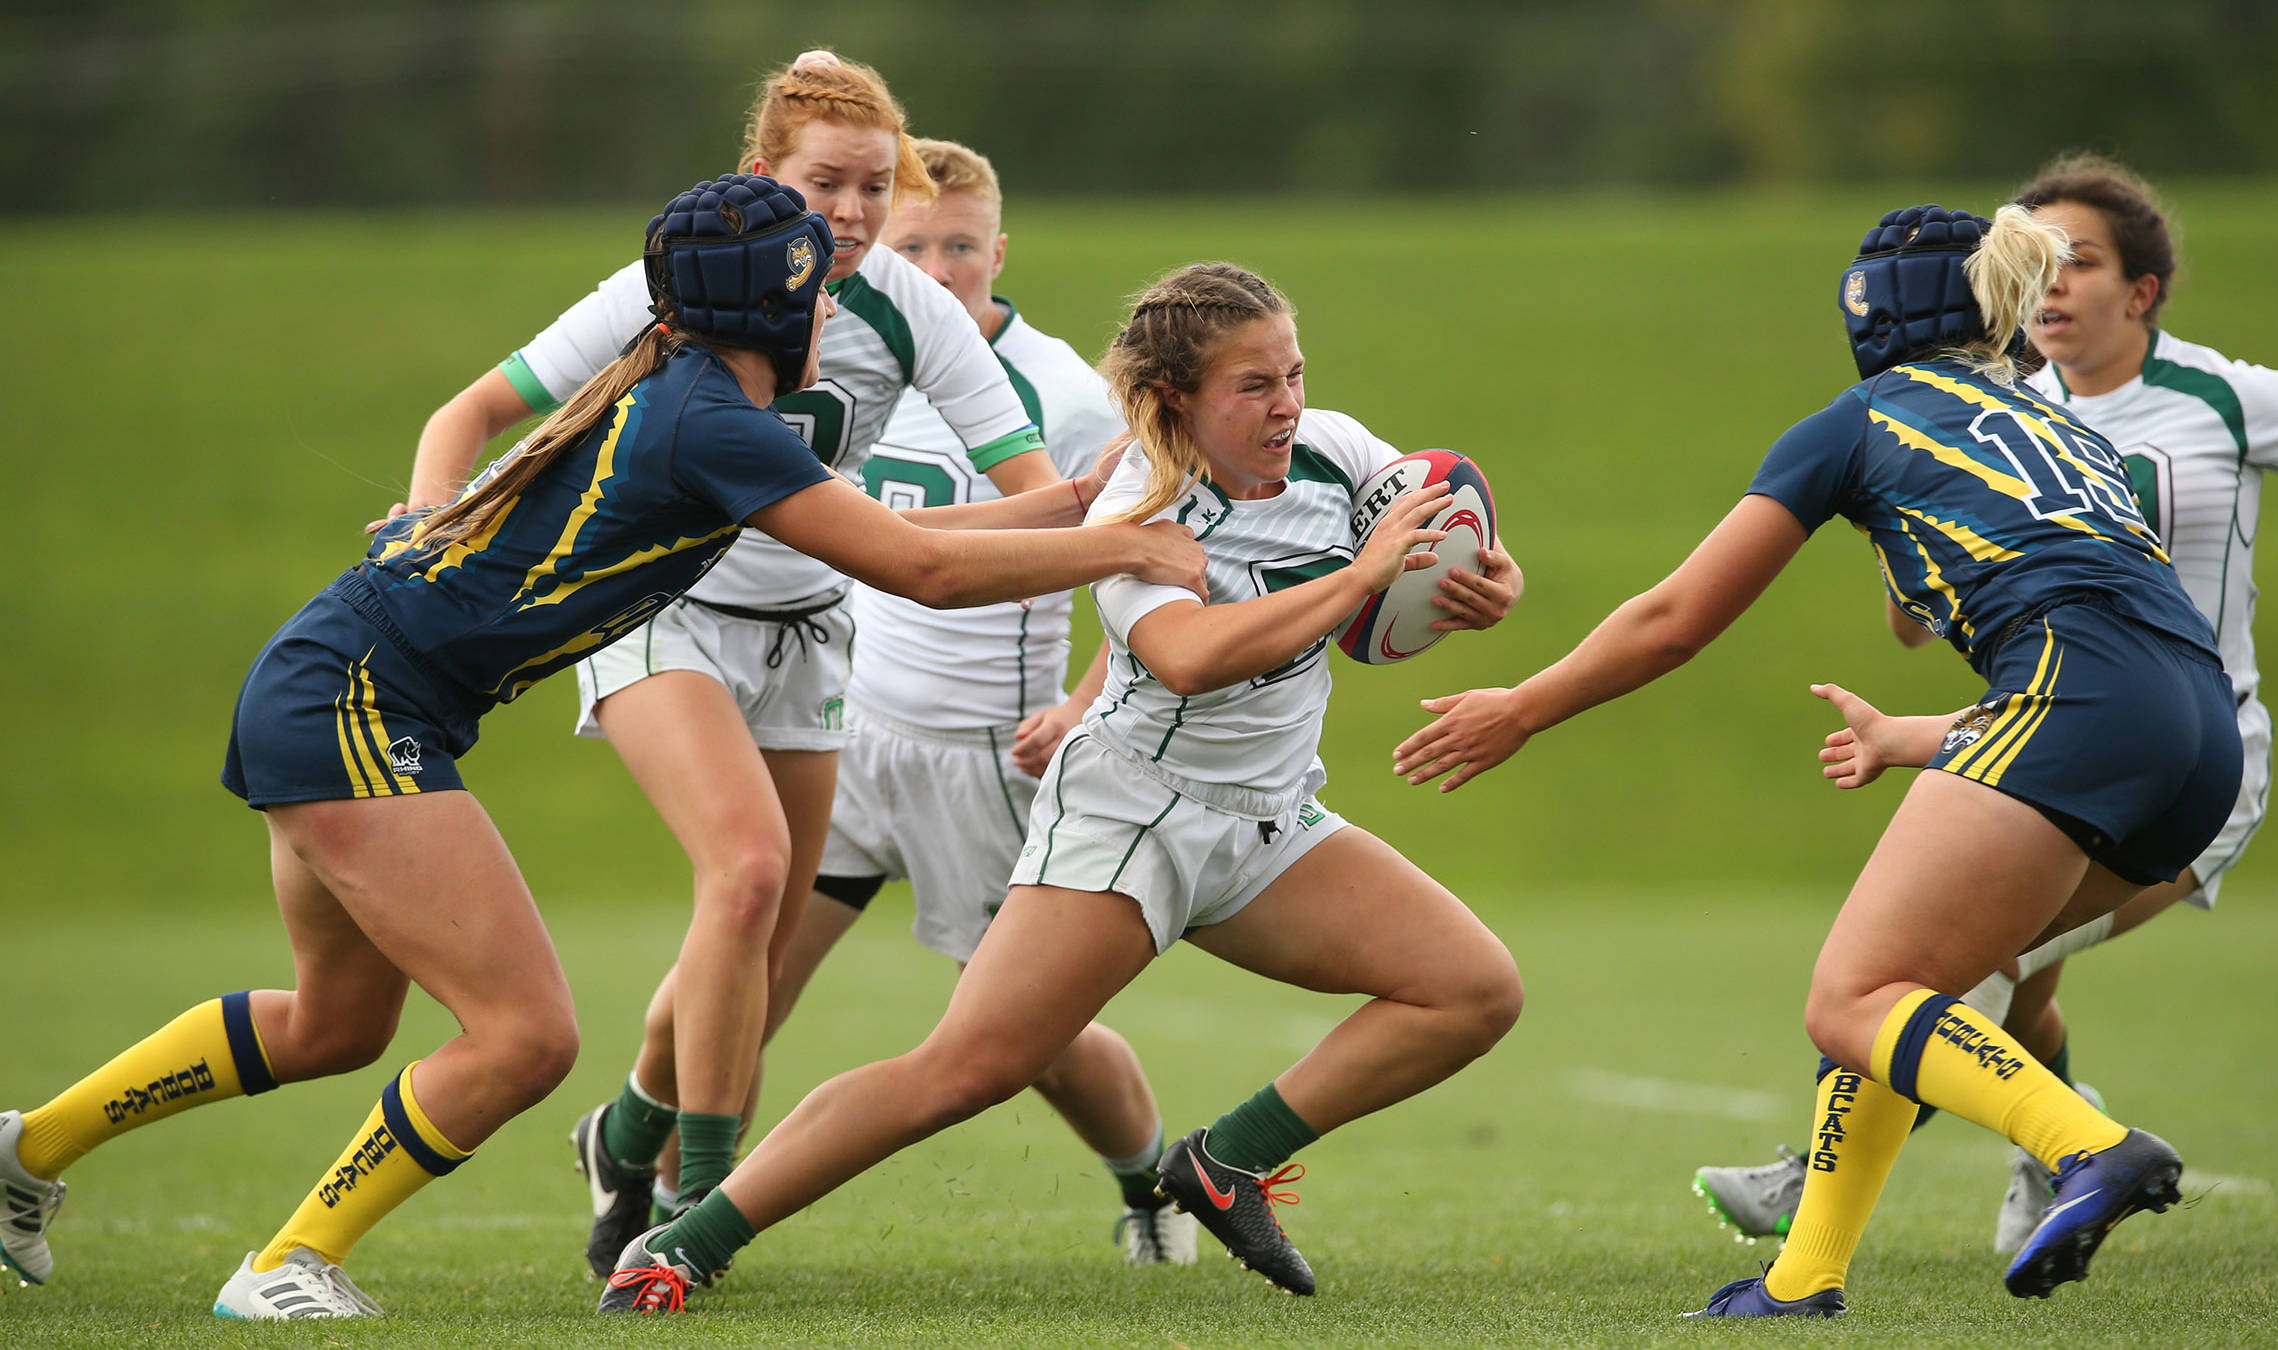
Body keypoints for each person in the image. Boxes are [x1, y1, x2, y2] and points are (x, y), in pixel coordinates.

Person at [0, 175, 1204, 1318]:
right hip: (358, 710)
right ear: (771, 315)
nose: (831, 305)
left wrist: (1079, 499)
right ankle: (289, 1260)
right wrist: (1128, 550)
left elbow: (903, 530)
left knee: (334, 1026)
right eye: (813, 292)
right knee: (527, 1040)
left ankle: (28, 1151)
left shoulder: (691, 389)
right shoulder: (710, 423)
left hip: (325, 683)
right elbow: (925, 572)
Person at [593, 262, 1527, 1314]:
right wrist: (1358, 581)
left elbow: (1438, 535)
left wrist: (1479, 581)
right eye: (1253, 386)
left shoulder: (1338, 450)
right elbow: (1187, 659)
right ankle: (685, 1245)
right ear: (1177, 398)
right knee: (964, 1071)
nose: (1287, 404)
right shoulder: (1141, 501)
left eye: (1293, 374)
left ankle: (1226, 1164)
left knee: (1473, 988)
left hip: (1269, 822)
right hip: (1134, 819)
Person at [1396, 205, 2240, 1315]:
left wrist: (1523, 707)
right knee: (1905, 989)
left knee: (1854, 998)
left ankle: (2088, 1147)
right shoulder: (2062, 424)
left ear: (1877, 309)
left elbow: (1676, 618)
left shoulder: (1859, 418)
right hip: (2200, 723)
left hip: (2073, 697)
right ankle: (1803, 1278)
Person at [405, 51, 1061, 1279]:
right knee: (749, 872)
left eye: (878, 186)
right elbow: (467, 414)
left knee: (750, 937)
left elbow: (1040, 497)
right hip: (664, 608)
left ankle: (632, 1132)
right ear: (762, 176)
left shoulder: (907, 308)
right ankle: (690, 1203)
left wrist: (1148, 508)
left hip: (811, 630)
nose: (859, 214)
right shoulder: (675, 285)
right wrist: (426, 520)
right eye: (829, 184)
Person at [1689, 154, 2278, 1256]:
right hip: (2059, 719)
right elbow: (1921, 624)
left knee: (1935, 980)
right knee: (1987, 984)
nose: (2054, 284)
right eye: (2040, 262)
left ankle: (1978, 1170)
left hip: (2201, 737)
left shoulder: (2228, 395)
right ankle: (2024, 1170)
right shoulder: (2014, 408)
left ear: (2143, 289)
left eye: (2082, 262)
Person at [788, 137, 1195, 1264]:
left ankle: (1151, 1187)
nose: (939, 265)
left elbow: (1151, 557)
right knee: (745, 962)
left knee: (1030, 1039)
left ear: (997, 251)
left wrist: (1077, 703)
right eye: (915, 244)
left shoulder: (1061, 394)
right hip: (848, 731)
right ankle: (649, 1168)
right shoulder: (843, 356)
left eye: (960, 245)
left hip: (980, 757)